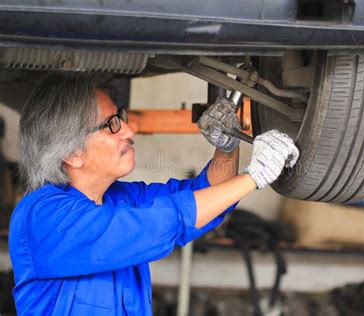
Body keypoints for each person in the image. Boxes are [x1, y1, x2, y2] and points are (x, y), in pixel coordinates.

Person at [8, 73, 299, 315]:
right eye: (111, 125)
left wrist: (227, 146)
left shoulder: (119, 199)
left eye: (120, 117)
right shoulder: (42, 217)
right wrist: (254, 176)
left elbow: (206, 197)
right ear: (72, 152)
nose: (129, 130)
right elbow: (160, 223)